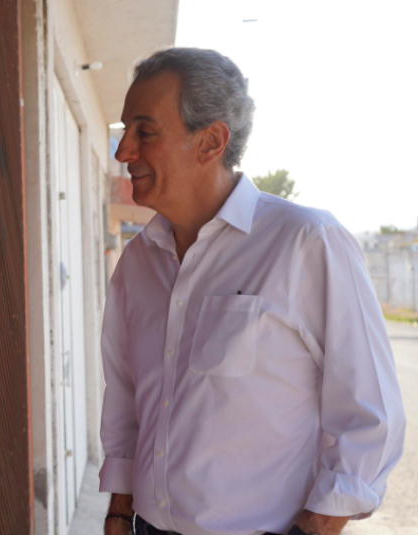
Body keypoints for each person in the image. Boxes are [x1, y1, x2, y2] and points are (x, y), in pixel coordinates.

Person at [100, 48, 406, 535]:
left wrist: (315, 528)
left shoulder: (305, 242)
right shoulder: (137, 262)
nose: (123, 153)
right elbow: (126, 398)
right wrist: (119, 511)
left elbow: (369, 415)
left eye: (145, 132)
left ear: (211, 141)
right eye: (124, 132)